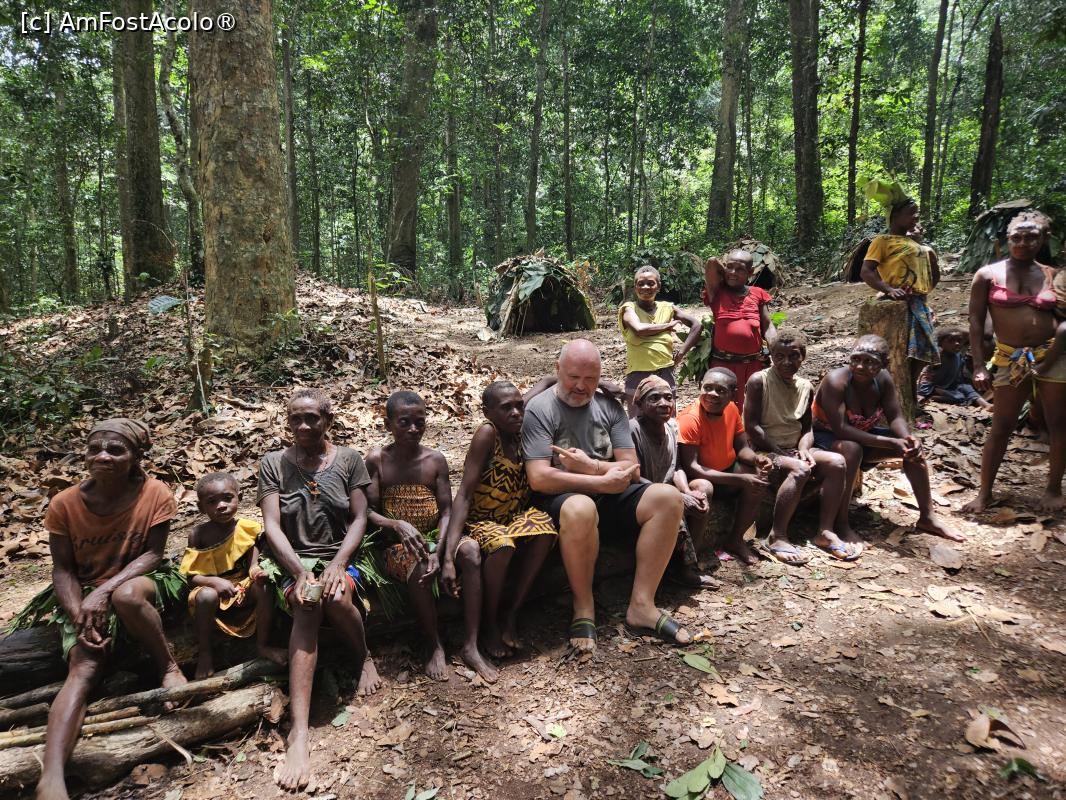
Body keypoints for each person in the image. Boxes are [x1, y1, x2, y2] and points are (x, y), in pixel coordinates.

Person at [12, 419, 187, 800]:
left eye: (115, 450)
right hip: (86, 592)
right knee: (83, 667)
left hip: (138, 581)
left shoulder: (155, 493)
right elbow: (63, 569)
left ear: (135, 457)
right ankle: (52, 775)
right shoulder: (64, 504)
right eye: (95, 449)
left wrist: (104, 592)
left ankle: (168, 666)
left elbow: (154, 554)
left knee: (126, 596)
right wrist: (78, 612)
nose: (103, 457)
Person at [522, 339, 689, 651]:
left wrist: (593, 467)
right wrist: (602, 481)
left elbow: (631, 467)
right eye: (573, 377)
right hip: (563, 499)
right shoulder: (540, 409)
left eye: (590, 379)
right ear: (558, 369)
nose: (581, 386)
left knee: (668, 498)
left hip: (608, 494)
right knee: (581, 507)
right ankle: (583, 607)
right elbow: (539, 478)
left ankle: (642, 605)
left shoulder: (608, 407)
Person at [257, 388, 379, 792]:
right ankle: (299, 733)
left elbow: (359, 517)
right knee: (308, 603)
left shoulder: (348, 460)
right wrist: (298, 571)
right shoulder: (274, 463)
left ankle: (363, 656)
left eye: (312, 417)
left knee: (337, 596)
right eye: (296, 418)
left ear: (328, 420)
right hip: (293, 559)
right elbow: (271, 526)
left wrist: (338, 564)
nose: (304, 425)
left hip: (340, 555)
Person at [366, 391, 497, 683]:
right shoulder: (377, 460)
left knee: (471, 551)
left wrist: (442, 552)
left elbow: (447, 511)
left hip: (436, 537)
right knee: (419, 564)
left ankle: (471, 644)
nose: (413, 429)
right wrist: (396, 524)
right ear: (388, 424)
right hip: (396, 544)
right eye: (404, 422)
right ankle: (433, 642)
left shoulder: (434, 460)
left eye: (420, 422)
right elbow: (366, 511)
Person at [445, 381, 558, 659]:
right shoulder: (488, 434)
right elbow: (465, 493)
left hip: (512, 515)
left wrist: (597, 383)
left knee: (545, 529)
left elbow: (545, 382)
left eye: (519, 406)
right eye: (506, 408)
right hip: (481, 520)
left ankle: (512, 612)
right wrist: (448, 554)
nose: (516, 412)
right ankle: (490, 622)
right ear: (488, 412)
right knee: (502, 544)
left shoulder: (520, 426)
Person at [963, 211, 1065, 512]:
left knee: (1058, 424)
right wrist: (979, 365)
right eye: (1016, 237)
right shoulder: (987, 275)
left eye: (1031, 237)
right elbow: (975, 321)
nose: (1023, 243)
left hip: (1052, 355)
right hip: (1010, 358)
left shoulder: (1053, 275)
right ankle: (984, 493)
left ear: (1043, 239)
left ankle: (1053, 489)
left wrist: (1053, 353)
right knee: (1001, 425)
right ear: (1007, 239)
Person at [812, 335, 962, 541]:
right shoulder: (836, 381)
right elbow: (841, 429)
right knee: (851, 448)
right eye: (856, 359)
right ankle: (841, 523)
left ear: (884, 364)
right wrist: (890, 442)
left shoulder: (883, 380)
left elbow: (895, 416)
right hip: (826, 438)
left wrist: (907, 438)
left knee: (911, 450)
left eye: (869, 362)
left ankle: (927, 517)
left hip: (863, 439)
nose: (860, 366)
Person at [743, 331, 855, 564]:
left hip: (794, 449)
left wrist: (804, 449)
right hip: (765, 450)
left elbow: (806, 428)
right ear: (771, 356)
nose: (786, 362)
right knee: (800, 469)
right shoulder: (759, 381)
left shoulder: (806, 386)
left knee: (837, 462)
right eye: (779, 356)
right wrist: (781, 452)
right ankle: (777, 536)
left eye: (793, 356)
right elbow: (752, 427)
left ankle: (825, 531)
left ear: (803, 356)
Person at [180, 472, 287, 679]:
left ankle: (263, 645)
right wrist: (214, 582)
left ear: (240, 497)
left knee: (264, 587)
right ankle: (205, 654)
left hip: (241, 588)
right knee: (205, 596)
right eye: (212, 502)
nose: (221, 506)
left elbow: (252, 566)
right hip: (211, 589)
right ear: (201, 508)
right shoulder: (198, 535)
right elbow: (191, 577)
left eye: (227, 498)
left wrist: (258, 574)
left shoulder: (246, 529)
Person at [628, 375, 718, 587]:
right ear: (640, 404)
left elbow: (676, 467)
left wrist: (686, 491)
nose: (664, 403)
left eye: (669, 398)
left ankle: (686, 566)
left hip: (667, 491)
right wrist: (677, 497)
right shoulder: (632, 430)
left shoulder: (672, 426)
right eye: (654, 398)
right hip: (641, 495)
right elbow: (632, 477)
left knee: (703, 488)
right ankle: (670, 572)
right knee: (671, 502)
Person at [677, 367, 773, 565]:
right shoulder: (690, 419)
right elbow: (691, 466)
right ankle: (692, 554)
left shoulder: (731, 410)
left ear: (732, 394)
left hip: (727, 469)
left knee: (758, 477)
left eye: (720, 390)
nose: (712, 394)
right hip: (701, 476)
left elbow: (742, 448)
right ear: (700, 387)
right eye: (708, 388)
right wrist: (740, 479)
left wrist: (756, 459)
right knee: (704, 488)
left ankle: (736, 540)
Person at [858, 191, 941, 393]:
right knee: (895, 352)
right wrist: (889, 289)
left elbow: (933, 274)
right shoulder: (882, 241)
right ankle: (891, 389)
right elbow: (866, 271)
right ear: (895, 216)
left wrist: (922, 289)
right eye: (911, 212)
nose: (916, 217)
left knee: (923, 350)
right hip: (898, 301)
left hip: (919, 302)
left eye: (917, 212)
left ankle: (909, 388)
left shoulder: (917, 243)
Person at [618, 265, 703, 416]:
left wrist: (681, 353)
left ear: (658, 286)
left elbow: (697, 325)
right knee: (637, 419)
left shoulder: (667, 308)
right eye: (641, 284)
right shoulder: (628, 308)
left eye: (651, 283)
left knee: (667, 417)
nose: (645, 287)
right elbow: (639, 329)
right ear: (635, 287)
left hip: (664, 372)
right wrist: (667, 326)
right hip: (638, 373)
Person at [701, 249, 776, 412]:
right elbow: (712, 262)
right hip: (723, 365)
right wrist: (729, 272)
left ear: (750, 272)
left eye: (740, 269)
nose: (733, 272)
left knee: (753, 409)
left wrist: (775, 349)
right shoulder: (717, 292)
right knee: (722, 410)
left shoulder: (757, 294)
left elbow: (768, 325)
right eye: (730, 267)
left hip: (753, 365)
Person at [917, 328, 991, 408]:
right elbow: (926, 376)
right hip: (936, 387)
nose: (957, 343)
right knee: (959, 397)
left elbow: (972, 335)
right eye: (951, 341)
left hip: (953, 386)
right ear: (940, 343)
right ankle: (931, 397)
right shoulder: (938, 357)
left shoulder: (959, 354)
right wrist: (923, 394)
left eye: (959, 340)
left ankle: (985, 404)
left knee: (967, 388)